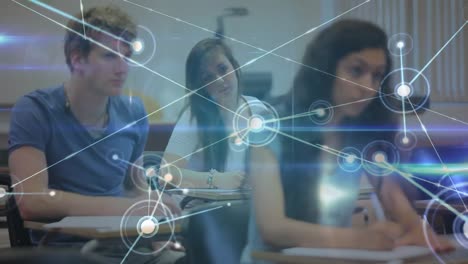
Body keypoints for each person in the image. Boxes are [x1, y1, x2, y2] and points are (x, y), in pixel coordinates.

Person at [241, 19, 454, 263]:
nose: (368, 87)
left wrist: (418, 230)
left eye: (377, 76)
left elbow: (391, 195)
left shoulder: (360, 131)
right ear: (325, 68)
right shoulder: (270, 126)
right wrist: (359, 239)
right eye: (356, 71)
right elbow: (273, 229)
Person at [8, 5, 181, 263]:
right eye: (110, 56)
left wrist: (156, 205)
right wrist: (128, 208)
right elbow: (32, 202)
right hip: (70, 253)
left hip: (127, 245)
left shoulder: (134, 113)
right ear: (77, 59)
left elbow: (132, 186)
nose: (123, 68)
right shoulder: (35, 110)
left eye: (126, 56)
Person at [162, 38, 265, 191]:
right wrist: (215, 179)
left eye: (223, 69)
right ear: (201, 87)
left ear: (235, 67)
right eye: (208, 78)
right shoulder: (193, 116)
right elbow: (166, 173)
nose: (220, 80)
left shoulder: (258, 110)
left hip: (247, 207)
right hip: (201, 210)